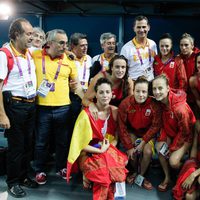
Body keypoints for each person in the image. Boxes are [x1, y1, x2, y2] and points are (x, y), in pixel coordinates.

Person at [32, 29, 84, 185]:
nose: (65, 46)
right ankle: (39, 169)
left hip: (63, 108)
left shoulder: (70, 60)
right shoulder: (34, 56)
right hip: (42, 107)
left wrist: (88, 101)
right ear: (49, 43)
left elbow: (76, 87)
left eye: (66, 42)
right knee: (41, 141)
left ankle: (61, 166)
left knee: (62, 141)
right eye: (61, 42)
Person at [67, 77, 128, 200]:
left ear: (112, 94)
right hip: (89, 153)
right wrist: (100, 150)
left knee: (119, 170)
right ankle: (89, 176)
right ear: (96, 94)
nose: (105, 95)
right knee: (104, 176)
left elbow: (116, 138)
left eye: (107, 92)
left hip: (107, 149)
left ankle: (89, 177)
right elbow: (80, 145)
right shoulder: (86, 114)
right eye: (101, 92)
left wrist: (107, 148)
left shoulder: (115, 111)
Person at [0, 18, 38, 198]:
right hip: (14, 106)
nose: (32, 37)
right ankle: (12, 182)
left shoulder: (28, 52)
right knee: (16, 148)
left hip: (30, 105)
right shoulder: (4, 54)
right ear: (17, 34)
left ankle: (23, 177)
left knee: (27, 145)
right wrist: (2, 115)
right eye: (29, 34)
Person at [152, 74, 196, 192]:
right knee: (160, 148)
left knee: (173, 161)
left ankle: (185, 172)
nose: (157, 92)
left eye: (160, 88)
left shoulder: (179, 108)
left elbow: (185, 132)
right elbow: (163, 124)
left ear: (168, 88)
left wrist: (172, 148)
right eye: (154, 89)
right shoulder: (160, 101)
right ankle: (167, 178)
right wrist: (163, 139)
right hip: (171, 133)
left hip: (186, 136)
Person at [118, 76, 161, 190]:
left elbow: (155, 125)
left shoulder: (154, 104)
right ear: (133, 91)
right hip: (132, 132)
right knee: (132, 150)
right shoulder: (125, 104)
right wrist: (128, 146)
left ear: (148, 92)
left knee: (147, 151)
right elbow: (122, 127)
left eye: (144, 92)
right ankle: (134, 171)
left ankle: (141, 175)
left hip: (147, 134)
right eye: (138, 91)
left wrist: (144, 141)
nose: (141, 95)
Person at [82, 55, 133, 119]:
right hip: (99, 113)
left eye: (123, 67)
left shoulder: (128, 81)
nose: (120, 70)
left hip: (117, 114)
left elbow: (132, 103)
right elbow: (85, 100)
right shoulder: (100, 78)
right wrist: (91, 105)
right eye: (117, 67)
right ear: (111, 67)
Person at [120, 15, 157, 81]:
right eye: (138, 27)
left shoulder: (153, 44)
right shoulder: (126, 48)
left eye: (144, 27)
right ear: (134, 28)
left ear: (148, 27)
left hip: (151, 83)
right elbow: (122, 71)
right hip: (134, 85)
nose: (142, 30)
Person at [69, 33, 92, 127]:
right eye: (82, 45)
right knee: (72, 125)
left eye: (86, 45)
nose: (85, 48)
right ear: (73, 46)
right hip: (72, 96)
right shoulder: (68, 59)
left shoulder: (89, 58)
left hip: (86, 95)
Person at [173, 121, 200, 200]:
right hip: (198, 159)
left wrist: (193, 175)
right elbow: (195, 145)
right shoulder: (198, 123)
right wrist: (191, 165)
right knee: (189, 197)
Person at [177, 33, 200, 108]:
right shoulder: (178, 59)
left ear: (192, 46)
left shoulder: (198, 58)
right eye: (181, 45)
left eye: (186, 45)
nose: (183, 47)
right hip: (186, 99)